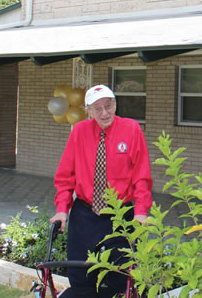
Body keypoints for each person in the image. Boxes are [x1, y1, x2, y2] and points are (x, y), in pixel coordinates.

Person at [50, 84, 153, 297]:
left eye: (109, 105)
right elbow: (65, 176)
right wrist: (62, 209)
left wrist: (141, 212)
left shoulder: (131, 129)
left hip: (120, 215)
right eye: (98, 108)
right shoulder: (79, 131)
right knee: (81, 276)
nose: (105, 112)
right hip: (85, 213)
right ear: (88, 110)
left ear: (115, 104)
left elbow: (141, 176)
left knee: (123, 276)